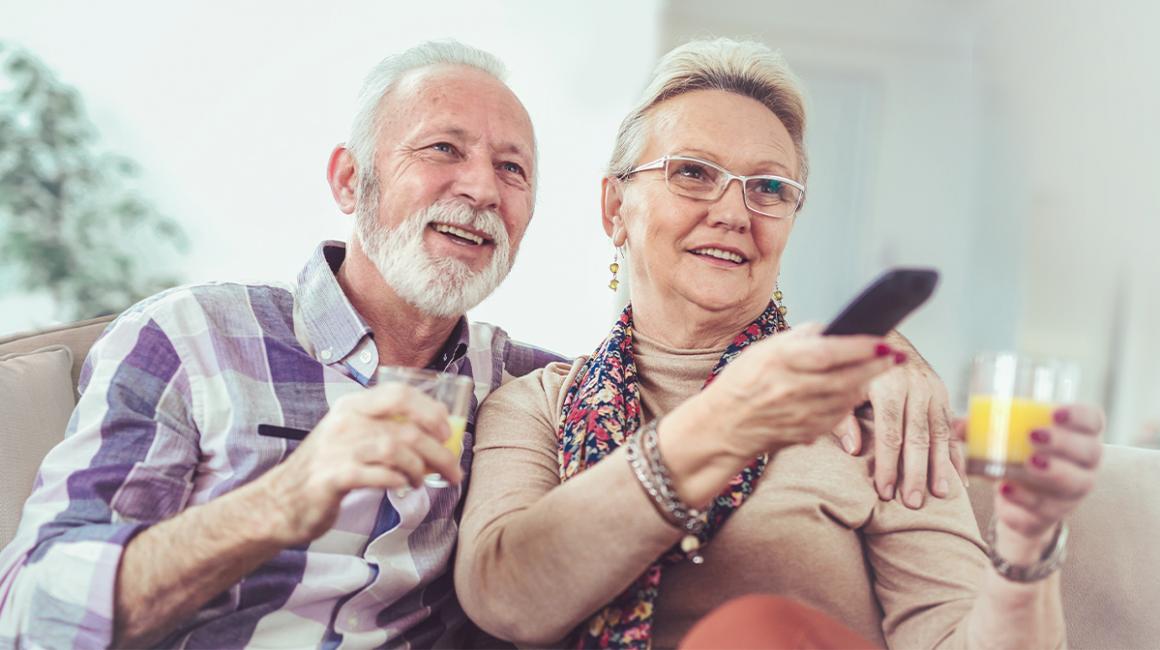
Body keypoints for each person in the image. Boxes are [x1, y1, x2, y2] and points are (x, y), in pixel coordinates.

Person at [0, 39, 955, 648]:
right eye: (441, 150)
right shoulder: (193, 339)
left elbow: (667, 379)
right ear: (351, 180)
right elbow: (35, 612)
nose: (481, 189)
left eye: (512, 169)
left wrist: (890, 360)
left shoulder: (524, 389)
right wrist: (285, 499)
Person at [454, 38, 1105, 649]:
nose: (734, 213)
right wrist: (729, 420)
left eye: (769, 188)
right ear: (614, 208)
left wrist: (1026, 550)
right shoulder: (533, 406)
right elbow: (506, 598)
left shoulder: (873, 406)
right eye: (693, 173)